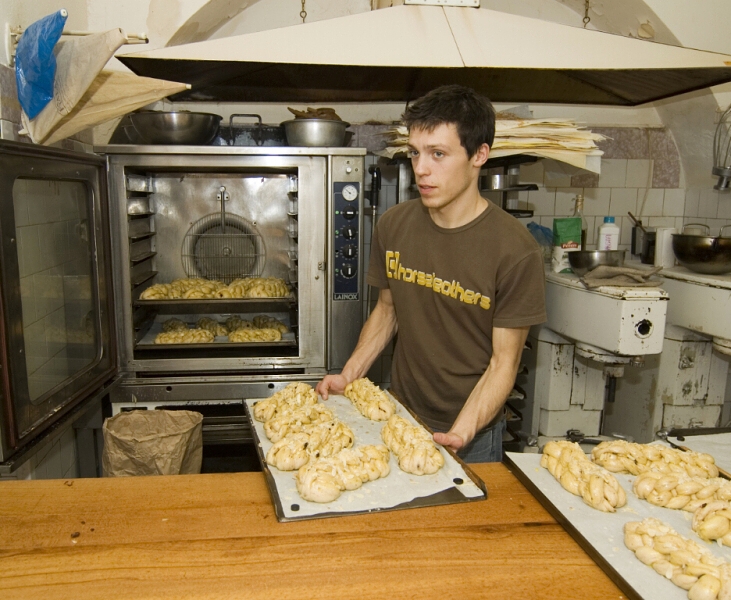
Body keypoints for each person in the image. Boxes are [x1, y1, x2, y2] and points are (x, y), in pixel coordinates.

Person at [316, 84, 546, 462]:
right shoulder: (394, 226)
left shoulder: (515, 251)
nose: (421, 169)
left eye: (438, 154)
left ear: (479, 155)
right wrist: (349, 375)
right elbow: (387, 311)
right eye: (415, 152)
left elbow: (503, 363)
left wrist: (461, 431)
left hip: (473, 433)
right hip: (401, 417)